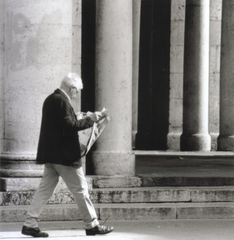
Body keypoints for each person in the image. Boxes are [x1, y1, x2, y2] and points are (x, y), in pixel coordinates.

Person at [21, 73, 114, 237]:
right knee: (81, 190)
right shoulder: (63, 101)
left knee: (44, 189)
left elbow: (60, 125)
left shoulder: (51, 99)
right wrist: (90, 119)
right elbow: (69, 126)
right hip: (65, 156)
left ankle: (30, 223)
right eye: (77, 91)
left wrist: (78, 117)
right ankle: (92, 224)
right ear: (72, 88)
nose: (77, 94)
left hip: (51, 154)